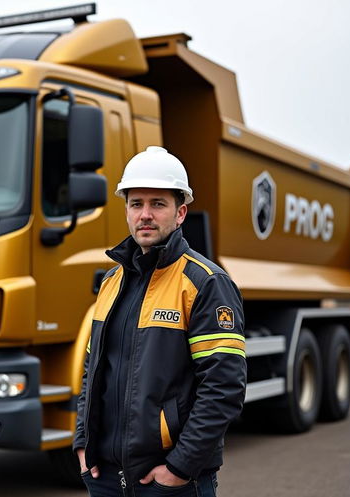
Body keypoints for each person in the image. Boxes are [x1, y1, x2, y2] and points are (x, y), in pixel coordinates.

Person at [74, 146, 247, 496]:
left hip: (169, 481)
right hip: (105, 477)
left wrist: (180, 467)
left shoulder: (205, 283)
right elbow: (91, 371)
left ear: (180, 213)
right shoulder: (111, 283)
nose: (145, 215)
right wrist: (83, 444)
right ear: (126, 211)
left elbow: (223, 387)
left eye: (158, 204)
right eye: (136, 204)